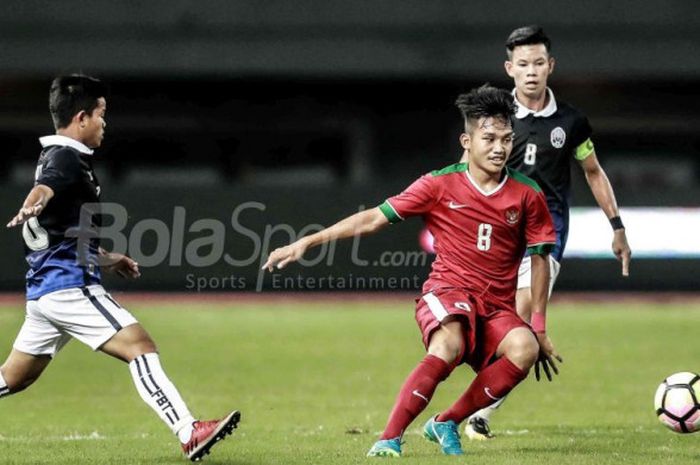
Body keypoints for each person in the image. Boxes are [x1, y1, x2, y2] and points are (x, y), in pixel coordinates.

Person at [263, 84, 561, 457]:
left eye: (506, 139)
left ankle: (445, 421)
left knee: (524, 348)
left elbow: (539, 259)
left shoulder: (527, 193)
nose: (499, 147)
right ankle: (389, 439)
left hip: (496, 304)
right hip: (448, 292)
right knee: (448, 343)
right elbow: (373, 218)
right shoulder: (438, 184)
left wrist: (539, 326)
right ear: (466, 141)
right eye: (489, 138)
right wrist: (307, 242)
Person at [3, 74, 239, 462]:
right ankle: (188, 431)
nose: (104, 123)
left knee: (15, 377)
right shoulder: (63, 158)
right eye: (100, 114)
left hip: (46, 290)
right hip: (68, 288)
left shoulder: (56, 155)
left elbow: (63, 232)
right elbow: (44, 190)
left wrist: (107, 257)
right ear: (81, 118)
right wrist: (33, 202)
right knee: (140, 347)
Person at [464, 25, 633, 441]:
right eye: (523, 64)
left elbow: (592, 172)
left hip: (546, 233)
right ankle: (494, 376)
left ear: (550, 66)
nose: (532, 71)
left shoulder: (571, 122)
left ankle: (480, 412)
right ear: (510, 69)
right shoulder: (496, 118)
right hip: (499, 231)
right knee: (489, 327)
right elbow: (470, 170)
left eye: (538, 62)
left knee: (521, 313)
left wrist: (617, 226)